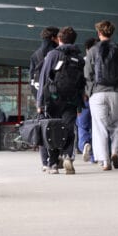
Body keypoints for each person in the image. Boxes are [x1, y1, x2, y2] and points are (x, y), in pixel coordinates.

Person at [84, 20, 118, 171]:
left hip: (98, 94)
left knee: (100, 128)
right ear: (111, 33)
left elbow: (87, 74)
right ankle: (115, 151)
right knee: (117, 124)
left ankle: (105, 162)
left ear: (99, 33)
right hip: (116, 93)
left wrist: (90, 91)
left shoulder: (92, 51)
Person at [36, 27, 85, 174]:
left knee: (52, 129)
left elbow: (44, 77)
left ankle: (52, 164)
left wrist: (40, 102)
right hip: (72, 99)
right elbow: (81, 82)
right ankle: (68, 156)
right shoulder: (79, 58)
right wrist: (80, 104)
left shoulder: (53, 54)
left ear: (59, 39)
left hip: (53, 99)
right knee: (69, 128)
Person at [28, 26, 59, 171]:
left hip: (41, 97)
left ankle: (45, 162)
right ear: (53, 38)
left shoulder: (35, 55)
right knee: (55, 129)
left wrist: (37, 99)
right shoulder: (57, 54)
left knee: (43, 129)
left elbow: (31, 81)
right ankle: (53, 162)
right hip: (55, 96)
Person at [76, 37, 98, 163]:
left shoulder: (81, 62)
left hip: (84, 99)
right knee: (97, 127)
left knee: (82, 126)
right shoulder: (100, 61)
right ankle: (95, 156)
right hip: (98, 97)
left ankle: (84, 144)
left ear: (86, 49)